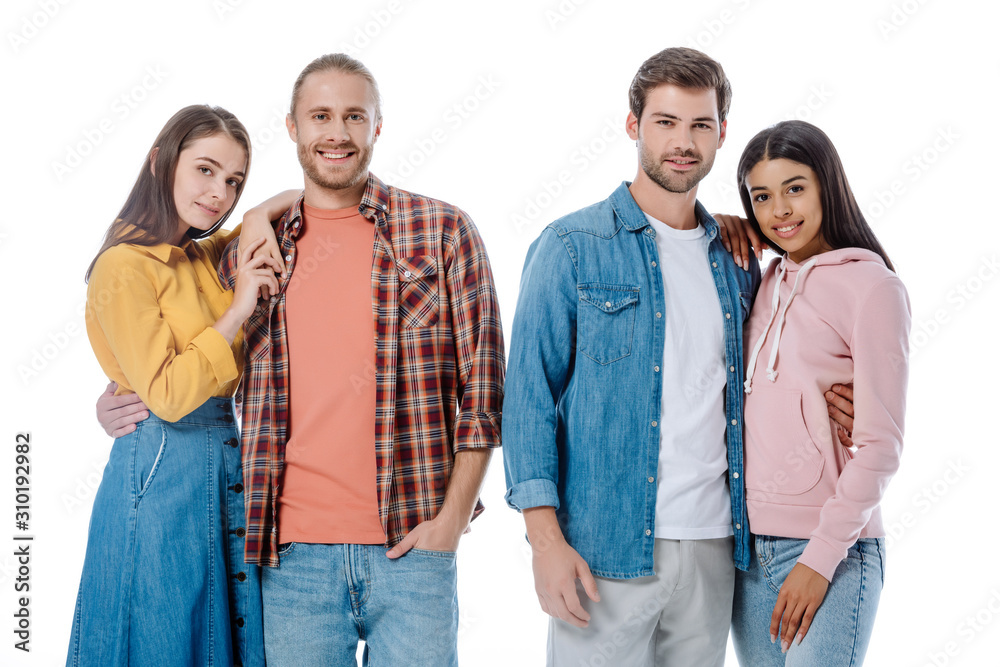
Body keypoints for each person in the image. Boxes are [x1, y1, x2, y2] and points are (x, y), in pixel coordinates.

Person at [501, 47, 856, 666]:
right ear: (634, 124)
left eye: (700, 124)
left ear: (722, 132)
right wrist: (544, 542)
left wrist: (835, 404)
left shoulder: (740, 258)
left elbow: (777, 365)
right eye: (666, 122)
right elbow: (528, 399)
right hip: (605, 550)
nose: (683, 142)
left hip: (719, 548)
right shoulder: (572, 247)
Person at [70, 105, 281, 666]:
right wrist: (236, 313)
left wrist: (259, 210)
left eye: (233, 180)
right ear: (160, 162)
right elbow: (164, 394)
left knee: (219, 637)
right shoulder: (123, 267)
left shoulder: (200, 257)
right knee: (162, 636)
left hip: (221, 466)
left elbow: (277, 208)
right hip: (159, 471)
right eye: (205, 170)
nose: (220, 193)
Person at [730, 120, 910, 665]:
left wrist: (821, 558)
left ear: (827, 185)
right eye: (762, 196)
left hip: (833, 550)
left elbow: (882, 447)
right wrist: (722, 227)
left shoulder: (872, 287)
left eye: (795, 188)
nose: (780, 210)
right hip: (749, 553)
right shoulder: (762, 281)